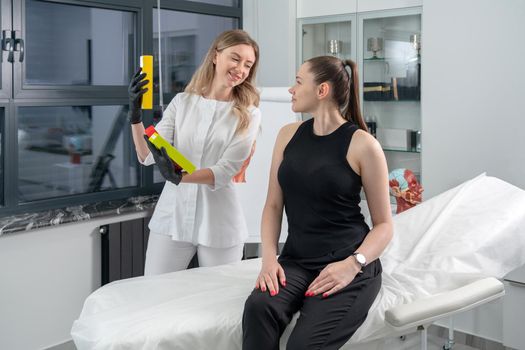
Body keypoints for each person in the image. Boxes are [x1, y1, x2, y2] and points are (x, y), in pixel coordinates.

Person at [242, 56, 393, 349]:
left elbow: (385, 226)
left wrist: (353, 264)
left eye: (298, 82)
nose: (291, 89)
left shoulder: (363, 145)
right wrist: (269, 260)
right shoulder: (288, 135)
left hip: (349, 264)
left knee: (302, 345)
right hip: (297, 261)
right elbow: (273, 205)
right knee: (258, 309)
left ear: (322, 90)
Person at [127, 29, 261, 276]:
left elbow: (225, 171)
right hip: (172, 216)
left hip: (219, 221)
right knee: (154, 294)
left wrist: (180, 177)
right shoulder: (182, 102)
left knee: (218, 301)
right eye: (235, 58)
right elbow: (148, 155)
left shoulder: (248, 114)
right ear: (215, 56)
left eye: (248, 64)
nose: (241, 69)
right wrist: (135, 116)